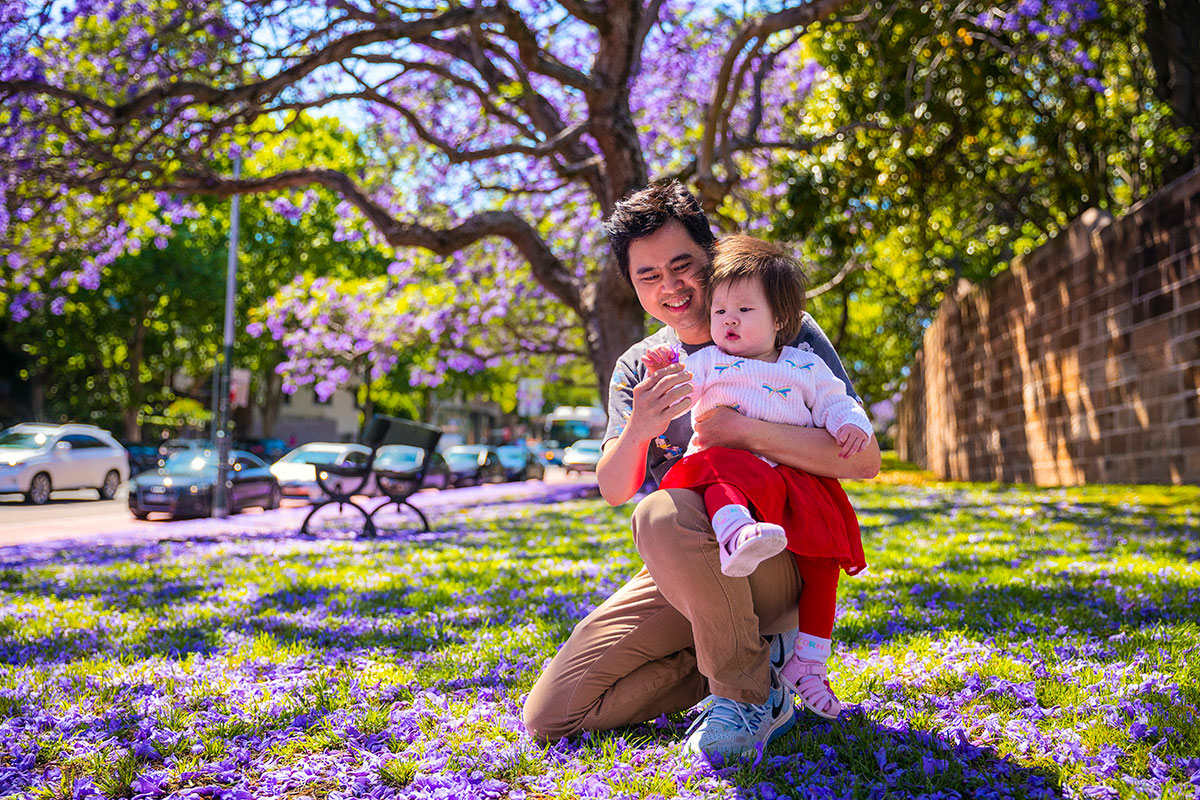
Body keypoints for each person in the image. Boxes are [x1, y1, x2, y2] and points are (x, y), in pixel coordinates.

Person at [521, 181, 880, 759]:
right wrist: (639, 427)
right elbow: (614, 489)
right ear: (632, 285)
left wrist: (743, 432)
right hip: (685, 565)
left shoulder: (779, 327)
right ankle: (759, 669)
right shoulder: (639, 365)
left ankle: (742, 696)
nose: (671, 287)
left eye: (683, 266)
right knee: (554, 715)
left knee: (661, 510)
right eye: (648, 276)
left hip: (775, 553)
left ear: (712, 259)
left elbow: (864, 460)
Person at [641, 234, 872, 720]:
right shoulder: (707, 362)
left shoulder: (806, 365)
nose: (727, 320)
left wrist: (850, 425)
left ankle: (808, 663)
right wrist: (665, 370)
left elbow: (837, 404)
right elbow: (680, 388)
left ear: (781, 321)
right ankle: (734, 531)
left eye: (744, 310)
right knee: (721, 467)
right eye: (720, 310)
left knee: (823, 561)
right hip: (732, 480)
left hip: (795, 485)